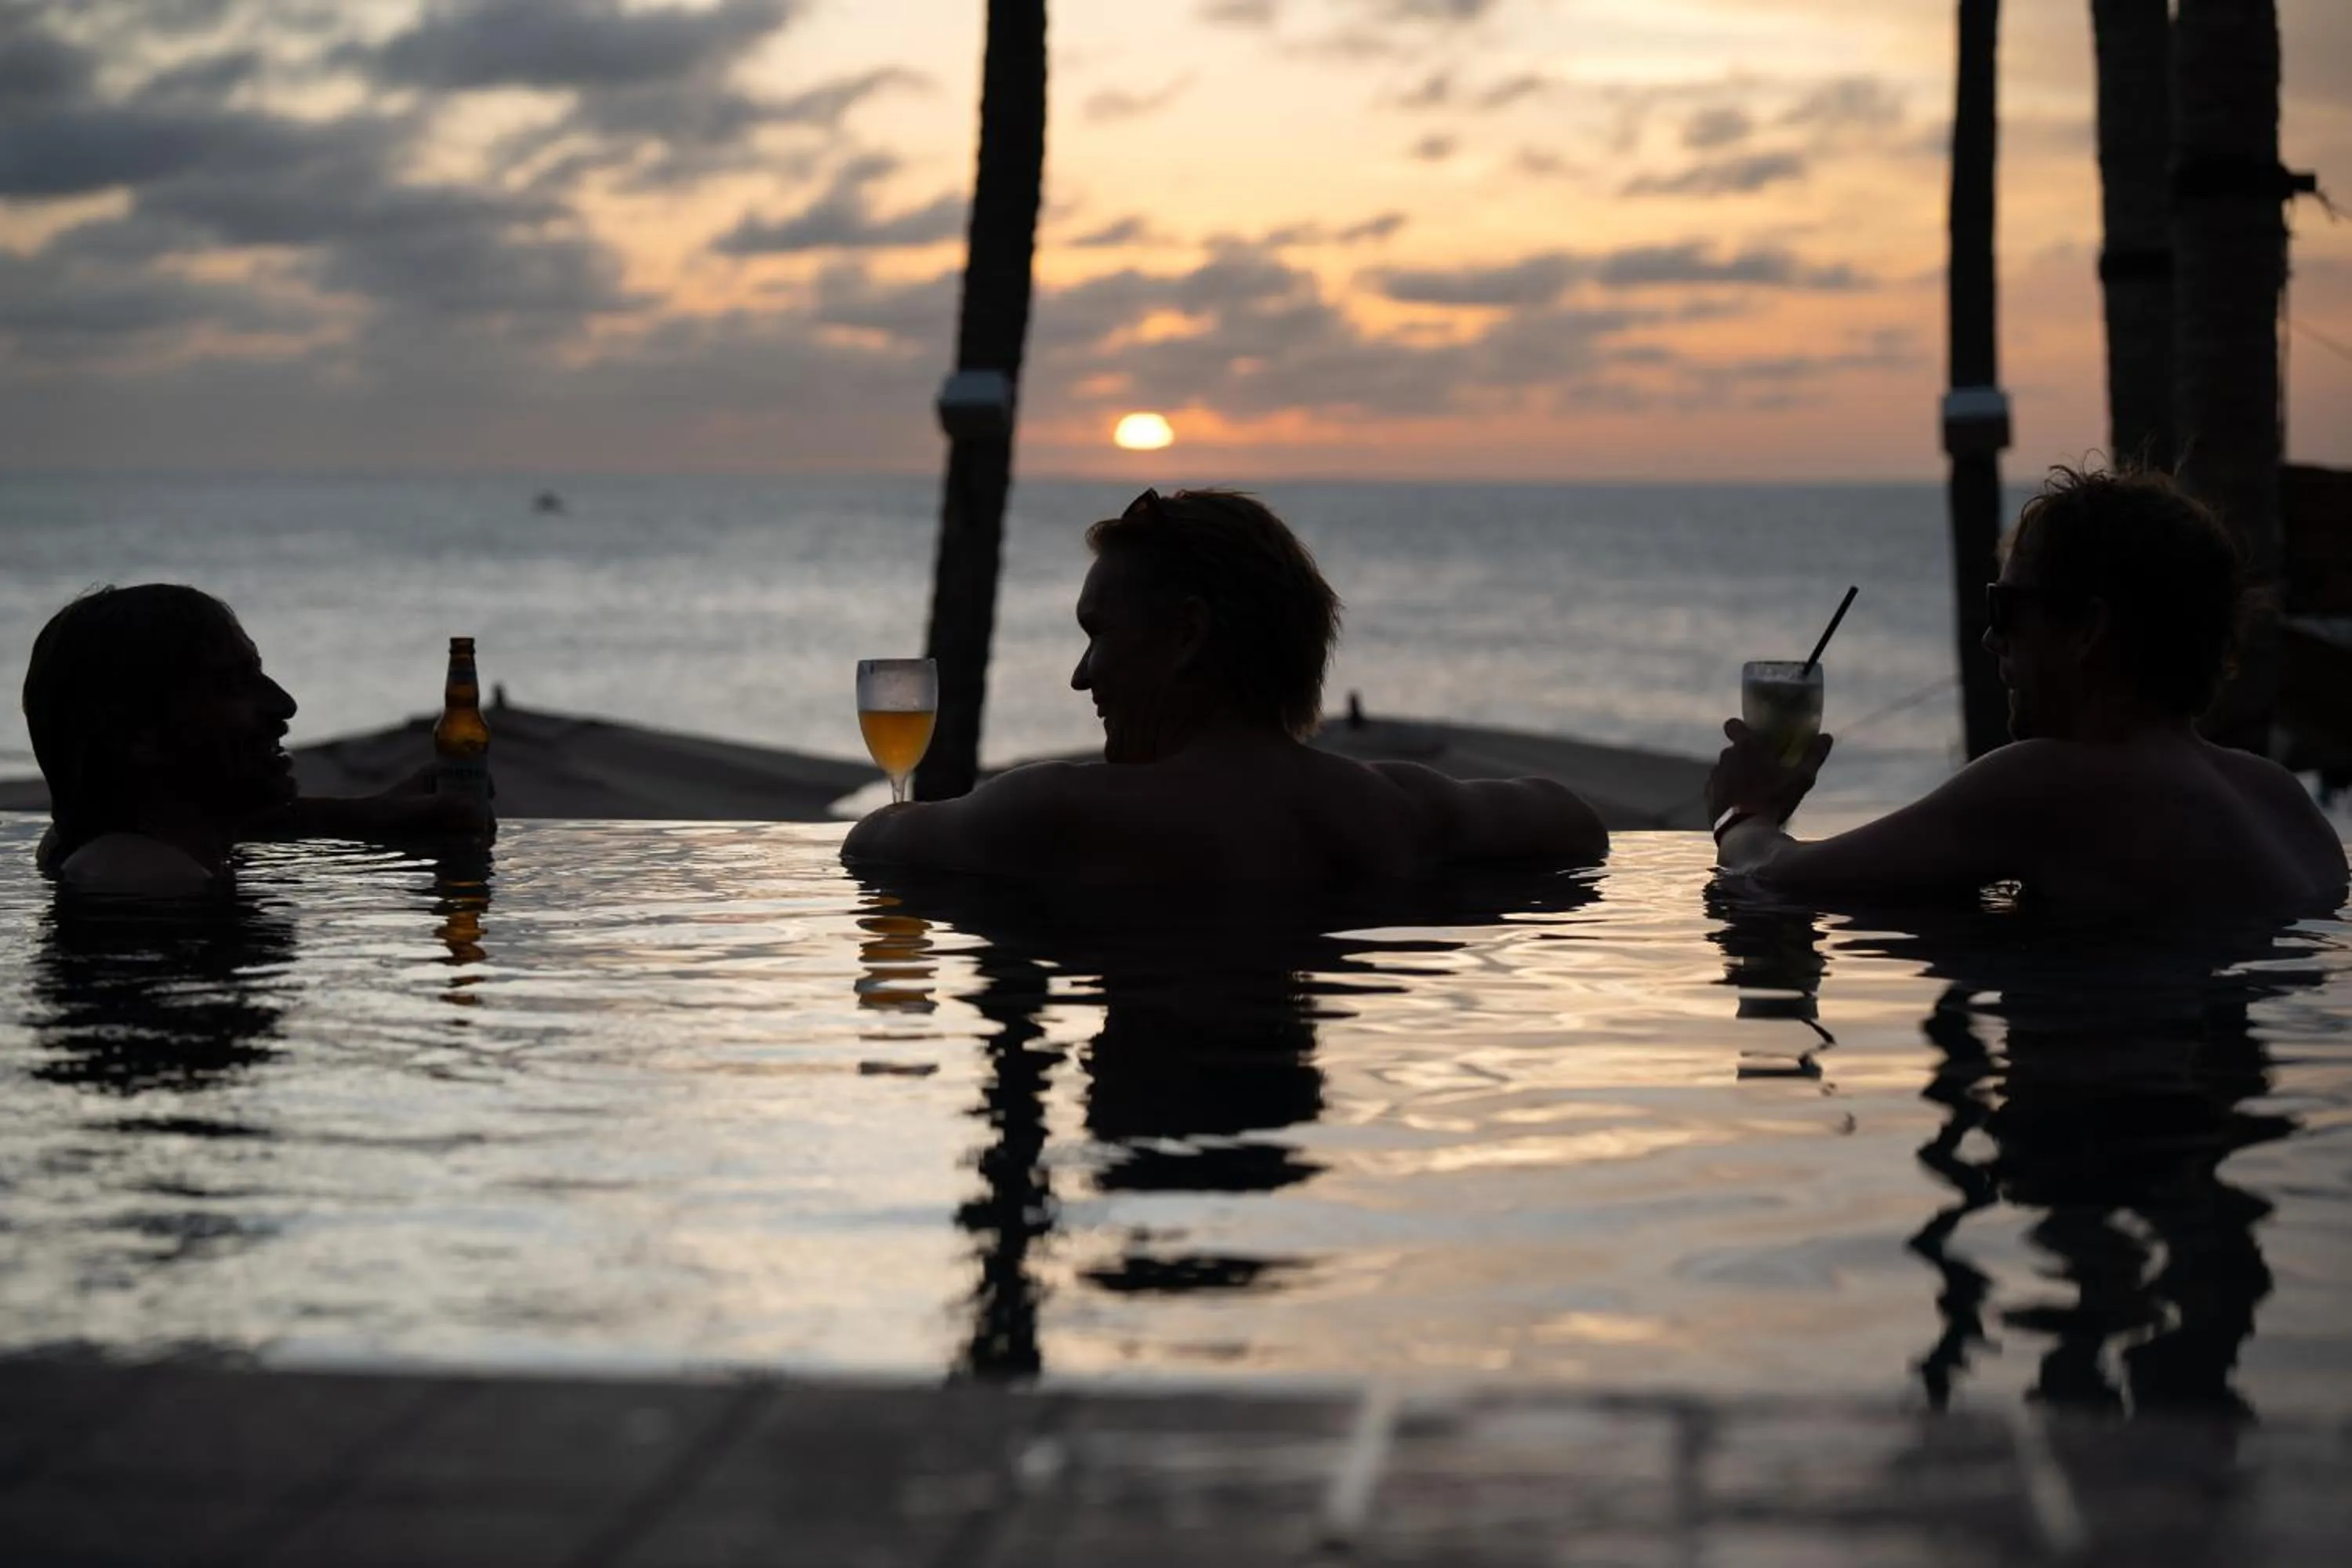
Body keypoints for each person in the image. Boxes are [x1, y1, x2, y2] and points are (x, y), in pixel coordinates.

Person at [843, 488, 1606, 883]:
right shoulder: (1397, 807)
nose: (1082, 677)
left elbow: (869, 841)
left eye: (1098, 634)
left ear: (1187, 635)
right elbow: (1571, 818)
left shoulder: (1053, 812)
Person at [1708, 466, 2348, 911]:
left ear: (2088, 629)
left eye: (2007, 609)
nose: (1992, 641)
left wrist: (1743, 815)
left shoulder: (2055, 782)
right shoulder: (2280, 799)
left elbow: (1778, 881)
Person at [22, 583, 490, 896]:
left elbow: (238, 823)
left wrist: (372, 813)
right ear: (139, 737)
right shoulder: (152, 885)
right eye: (232, 685)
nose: (284, 704)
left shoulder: (80, 839)